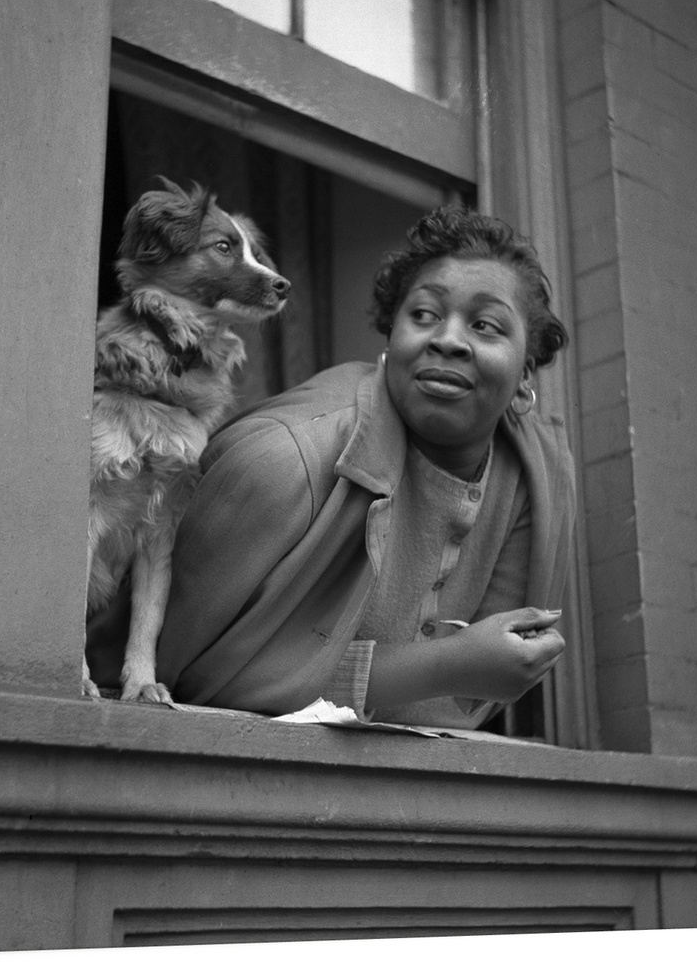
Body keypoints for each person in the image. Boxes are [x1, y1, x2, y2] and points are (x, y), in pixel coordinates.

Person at [95, 204, 576, 728]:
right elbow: (190, 675)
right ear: (389, 341)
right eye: (423, 315)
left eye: (485, 325)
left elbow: (464, 705)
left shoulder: (537, 480)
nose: (447, 339)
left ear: (526, 374)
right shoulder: (283, 460)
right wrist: (443, 666)